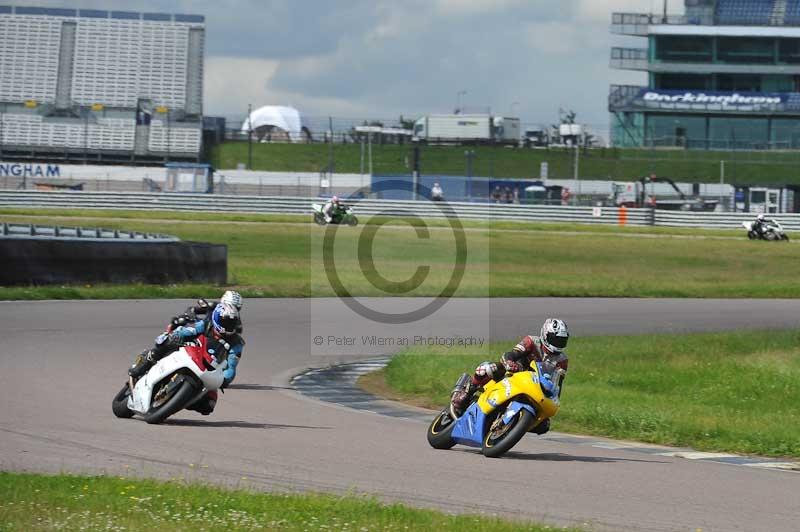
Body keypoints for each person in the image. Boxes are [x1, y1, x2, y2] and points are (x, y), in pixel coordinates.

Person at [449, 318, 570, 435]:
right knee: (487, 369)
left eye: (561, 340)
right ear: (545, 335)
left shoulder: (562, 360)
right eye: (555, 339)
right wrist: (509, 363)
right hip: (514, 372)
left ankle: (516, 425)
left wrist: (554, 398)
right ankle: (467, 392)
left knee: (544, 425)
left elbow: (558, 383)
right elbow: (511, 354)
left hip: (535, 386)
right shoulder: (531, 341)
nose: (558, 343)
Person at [128, 301, 245, 415]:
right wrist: (177, 335)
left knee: (209, 405)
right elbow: (190, 330)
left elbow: (232, 366)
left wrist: (225, 380)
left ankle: (179, 400)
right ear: (216, 318)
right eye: (226, 322)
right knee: (166, 342)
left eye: (231, 323)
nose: (229, 326)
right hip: (190, 352)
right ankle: (145, 362)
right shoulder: (207, 324)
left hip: (209, 371)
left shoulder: (236, 343)